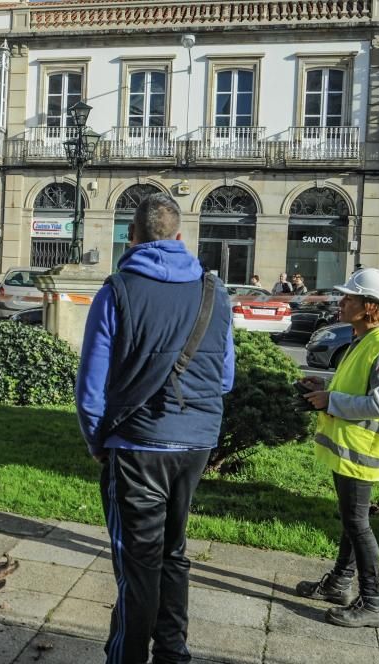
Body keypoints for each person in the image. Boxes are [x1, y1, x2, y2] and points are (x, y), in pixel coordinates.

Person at [75, 193, 235, 664]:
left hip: (137, 443)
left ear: (132, 237)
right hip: (196, 442)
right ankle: (172, 653)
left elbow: (91, 387)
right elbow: (224, 378)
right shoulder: (214, 292)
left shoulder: (117, 290)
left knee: (138, 565)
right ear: (181, 237)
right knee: (173, 552)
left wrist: (96, 441)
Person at [296, 268, 379, 628]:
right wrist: (322, 385)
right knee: (350, 521)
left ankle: (372, 603)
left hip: (361, 451)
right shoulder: (362, 340)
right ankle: (339, 584)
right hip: (350, 448)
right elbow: (352, 387)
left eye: (350, 298)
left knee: (357, 524)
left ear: (370, 307)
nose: (342, 303)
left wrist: (331, 400)